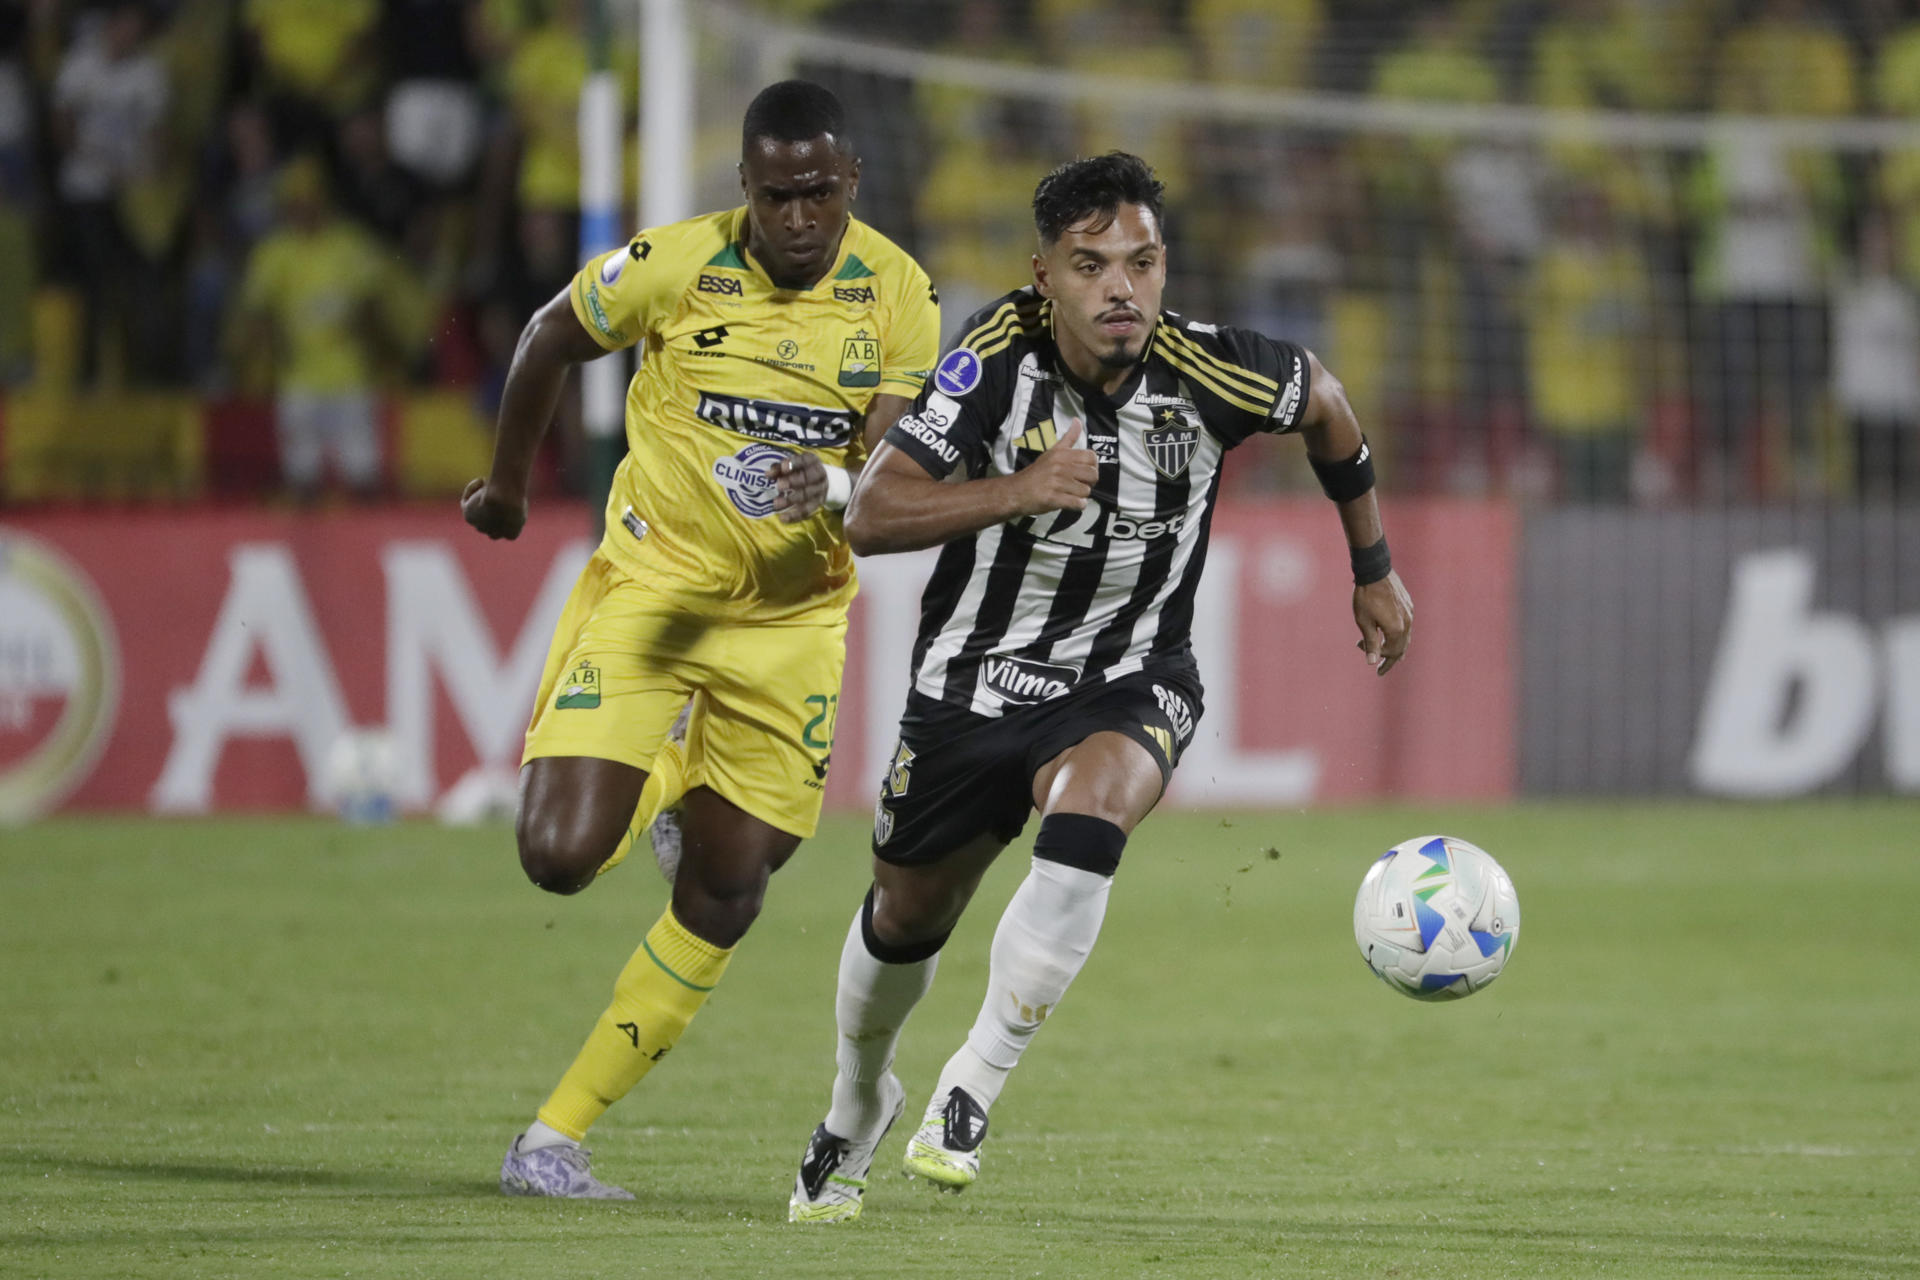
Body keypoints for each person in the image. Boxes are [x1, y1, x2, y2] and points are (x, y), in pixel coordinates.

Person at [785, 152, 1412, 1224]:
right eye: (1092, 266)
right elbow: (872, 514)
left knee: (1094, 811)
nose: (1123, 288)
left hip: (1132, 674)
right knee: (904, 915)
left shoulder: (1216, 369)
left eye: (1143, 261)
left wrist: (1374, 566)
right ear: (1044, 276)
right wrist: (1021, 489)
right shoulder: (990, 359)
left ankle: (971, 1086)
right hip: (974, 684)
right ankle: (858, 1097)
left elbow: (1333, 410)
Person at [462, 80, 939, 1200]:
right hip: (654, 598)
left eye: (819, 193)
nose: (799, 218)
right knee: (559, 859)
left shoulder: (899, 294)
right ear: (746, 188)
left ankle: (552, 1139)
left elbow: (892, 477)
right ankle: (670, 768)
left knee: (732, 884)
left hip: (791, 626)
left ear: (852, 183)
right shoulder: (677, 263)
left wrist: (820, 481)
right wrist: (509, 487)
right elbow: (546, 337)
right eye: (777, 196)